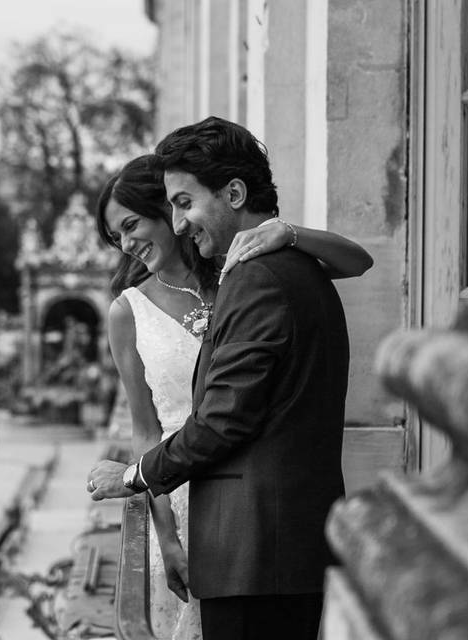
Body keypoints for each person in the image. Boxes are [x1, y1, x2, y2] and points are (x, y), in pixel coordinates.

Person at [90, 140, 369, 639]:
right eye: (117, 237)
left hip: (246, 526)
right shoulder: (130, 310)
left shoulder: (248, 270)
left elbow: (224, 418)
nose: (129, 244)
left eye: (133, 225)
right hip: (186, 501)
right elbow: (145, 426)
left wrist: (286, 230)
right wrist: (167, 536)